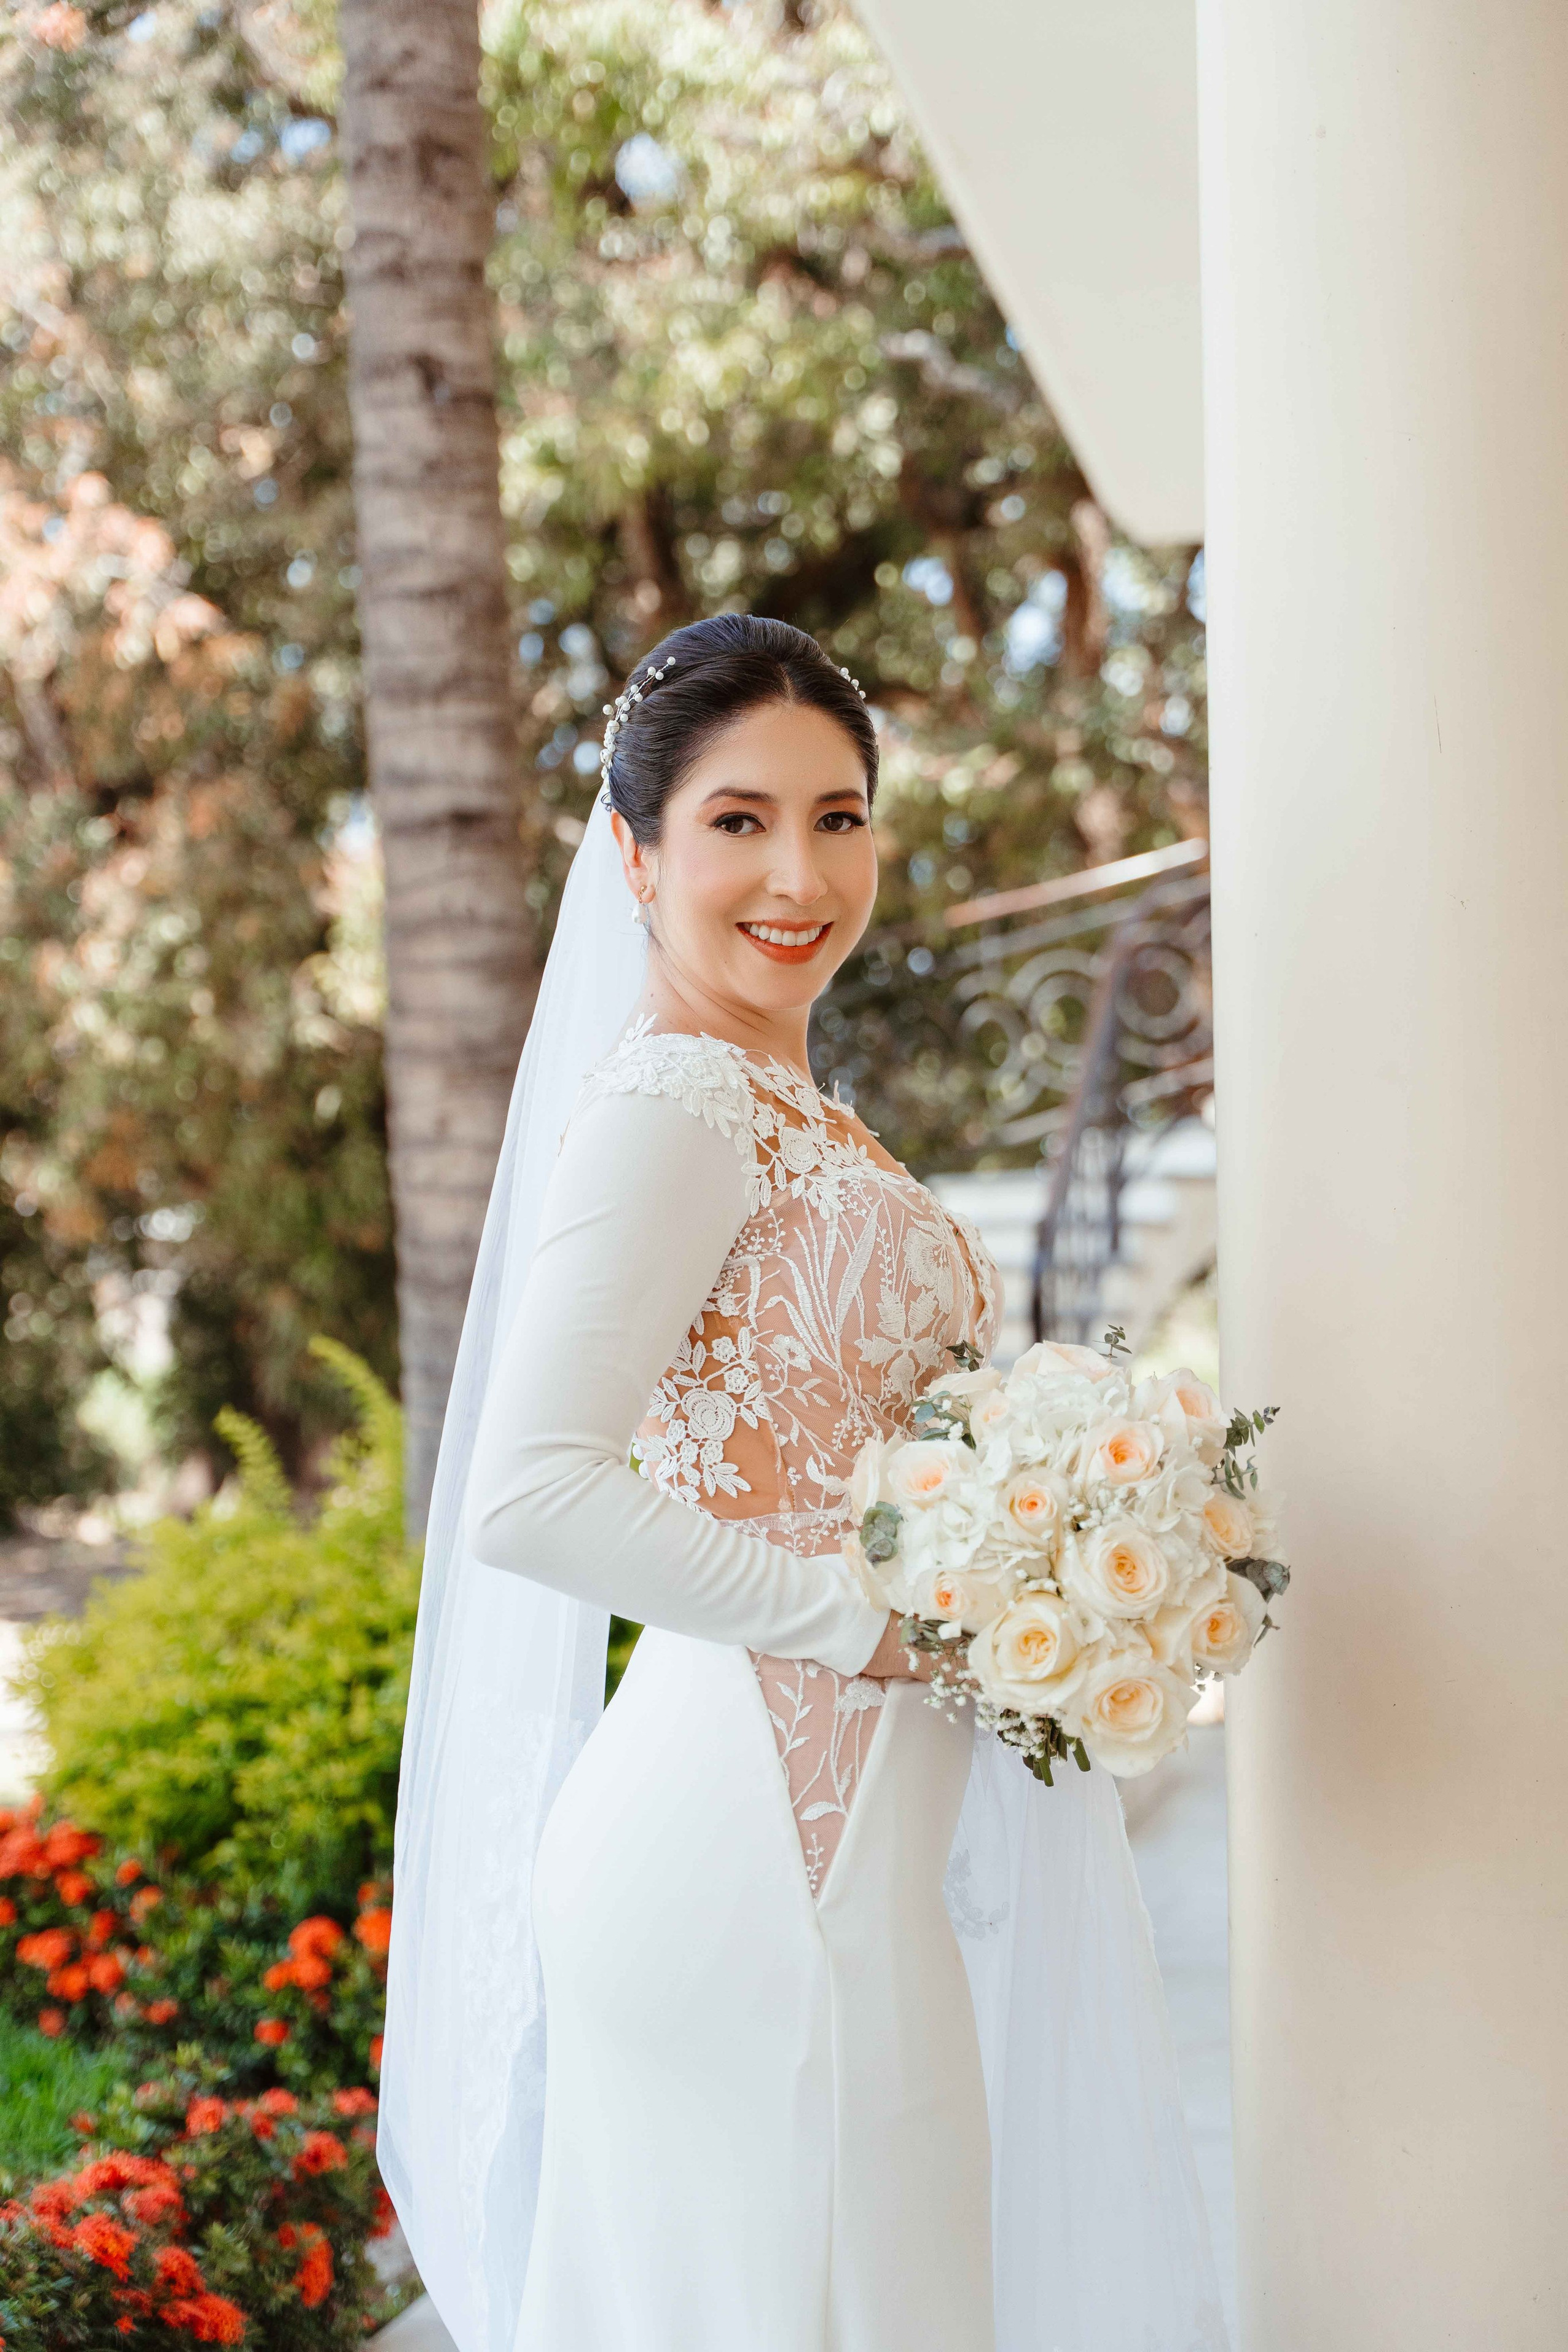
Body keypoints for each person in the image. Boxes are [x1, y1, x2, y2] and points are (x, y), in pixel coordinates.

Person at [379, 616, 1229, 2352]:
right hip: (747, 1854)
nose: (799, 870)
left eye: (838, 817)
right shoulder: (673, 1108)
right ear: (635, 853)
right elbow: (529, 1490)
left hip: (847, 1846)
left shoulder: (799, 1112)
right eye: (739, 821)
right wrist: (874, 1619)